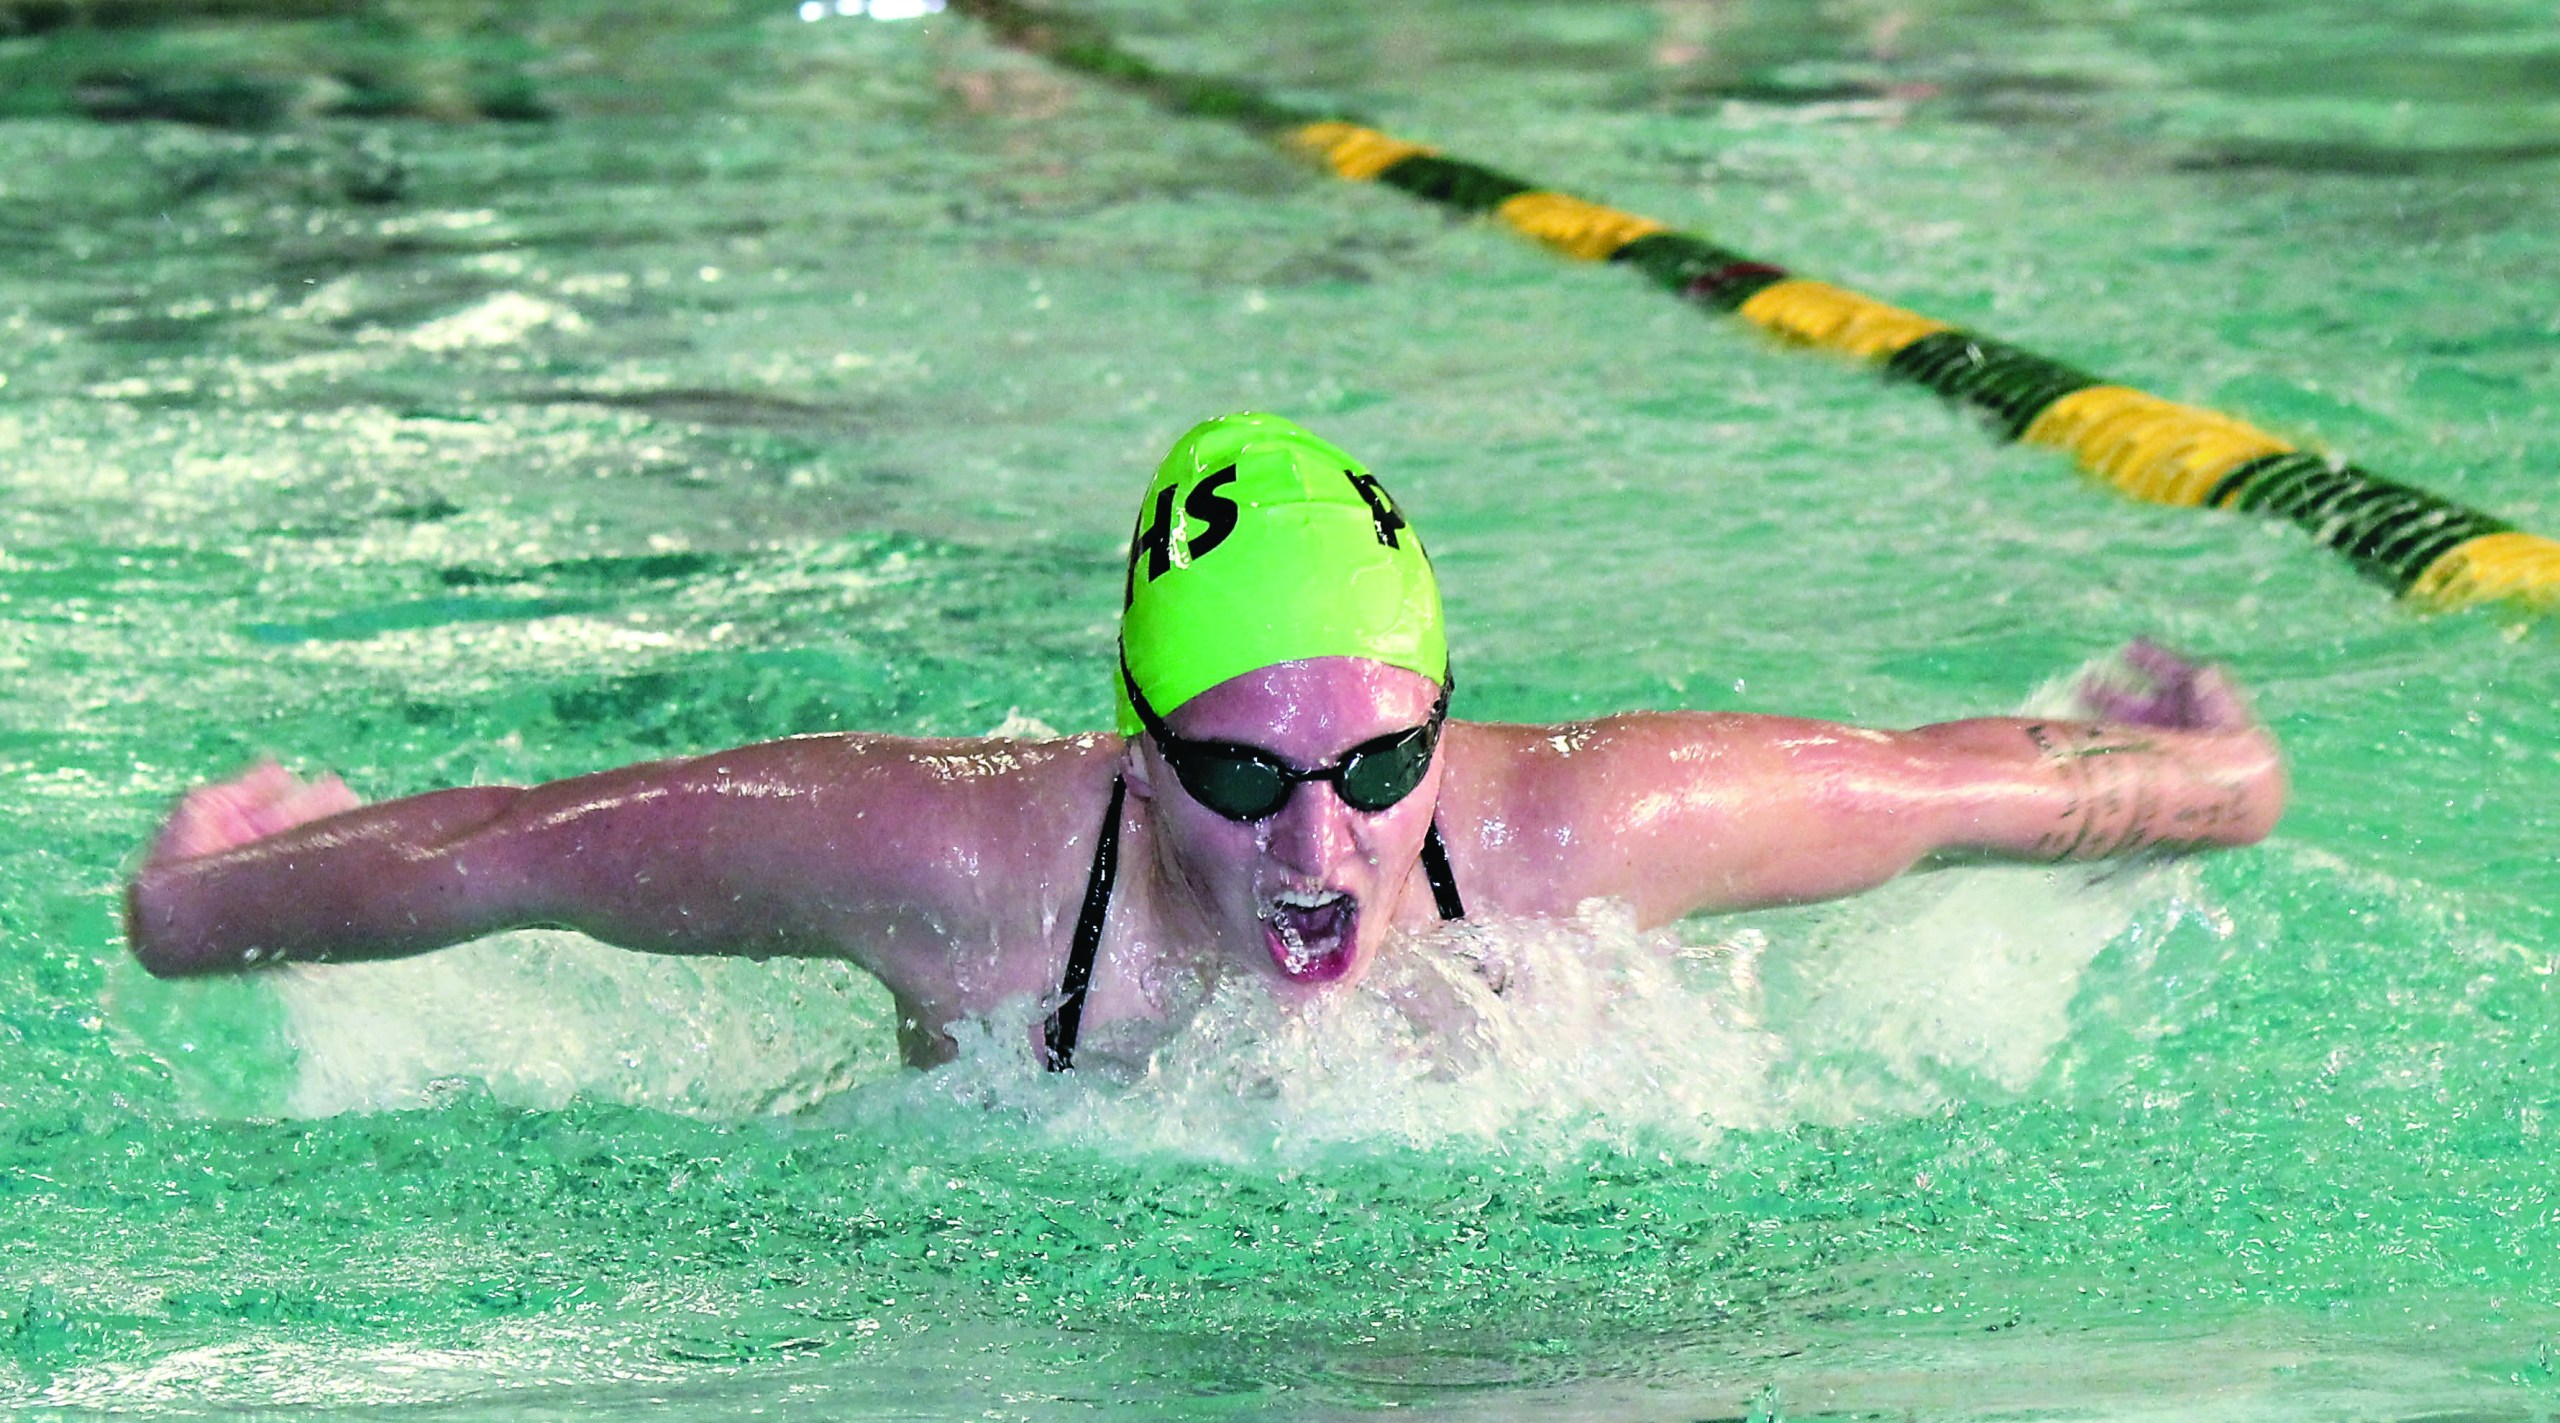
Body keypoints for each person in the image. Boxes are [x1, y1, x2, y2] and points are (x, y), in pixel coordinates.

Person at [126, 413, 2286, 1069]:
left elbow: (1942, 791)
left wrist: (2208, 785)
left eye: (1372, 767)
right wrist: (203, 902)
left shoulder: (1584, 823)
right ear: (1132, 743)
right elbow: (521, 845)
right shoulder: (948, 863)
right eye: (1240, 776)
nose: (1316, 846)